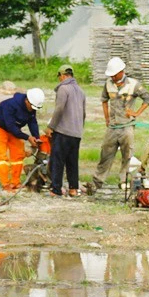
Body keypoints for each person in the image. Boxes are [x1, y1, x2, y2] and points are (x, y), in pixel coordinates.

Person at [87, 56, 149, 193]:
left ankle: (124, 181)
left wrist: (136, 113)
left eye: (115, 74)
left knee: (127, 155)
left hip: (127, 126)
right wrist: (106, 118)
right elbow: (104, 100)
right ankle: (97, 182)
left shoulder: (133, 84)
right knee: (105, 153)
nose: (113, 77)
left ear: (122, 71)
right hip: (113, 126)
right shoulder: (108, 84)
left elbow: (148, 98)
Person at [0, 89, 44, 191]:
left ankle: (15, 182)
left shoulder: (32, 106)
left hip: (15, 130)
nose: (33, 109)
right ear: (27, 101)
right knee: (1, 156)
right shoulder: (10, 105)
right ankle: (5, 184)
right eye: (32, 107)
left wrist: (36, 138)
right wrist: (28, 138)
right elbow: (11, 127)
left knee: (18, 154)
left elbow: (32, 122)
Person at [47, 63, 86, 198]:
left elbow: (59, 109)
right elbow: (84, 114)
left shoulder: (63, 89)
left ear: (62, 76)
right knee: (72, 162)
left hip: (63, 131)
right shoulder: (81, 91)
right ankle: (73, 189)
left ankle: (56, 189)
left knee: (57, 160)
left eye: (59, 77)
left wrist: (51, 126)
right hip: (76, 132)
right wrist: (80, 129)